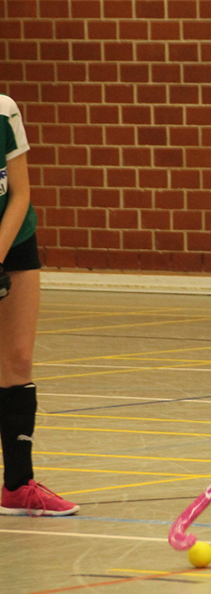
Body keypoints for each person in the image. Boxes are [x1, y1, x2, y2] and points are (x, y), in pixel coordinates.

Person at [0, 93, 79, 516]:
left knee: (18, 359)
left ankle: (18, 486)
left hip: (13, 238)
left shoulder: (4, 110)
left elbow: (20, 194)